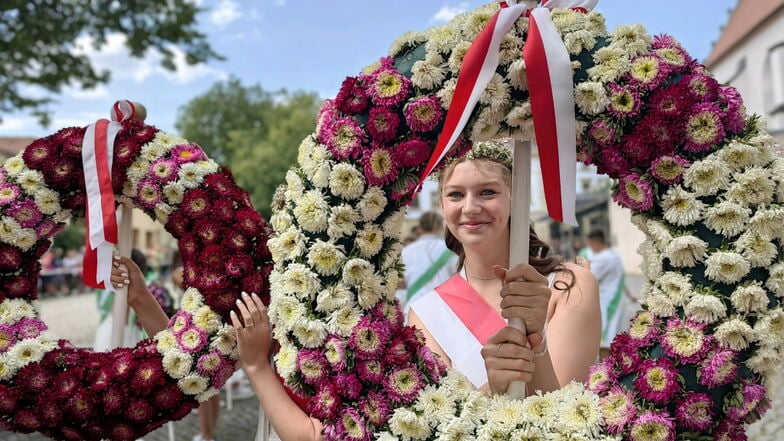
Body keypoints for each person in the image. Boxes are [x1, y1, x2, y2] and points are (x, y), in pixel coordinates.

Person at [407, 141, 601, 394]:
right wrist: (494, 387)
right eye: (455, 194)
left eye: (487, 192)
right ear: (442, 205)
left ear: (515, 198)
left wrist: (535, 344)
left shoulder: (571, 286)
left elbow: (569, 414)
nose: (470, 208)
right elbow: (443, 421)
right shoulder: (426, 313)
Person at [399, 211, 457, 312]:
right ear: (441, 226)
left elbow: (400, 282)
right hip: (444, 308)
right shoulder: (451, 250)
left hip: (414, 307)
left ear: (420, 228)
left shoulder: (406, 251)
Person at [585, 229, 628, 359]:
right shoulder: (613, 255)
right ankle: (610, 370)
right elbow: (621, 277)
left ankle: (606, 372)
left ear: (593, 242)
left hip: (609, 301)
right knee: (610, 337)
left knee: (605, 339)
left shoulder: (603, 258)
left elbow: (589, 277)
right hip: (616, 298)